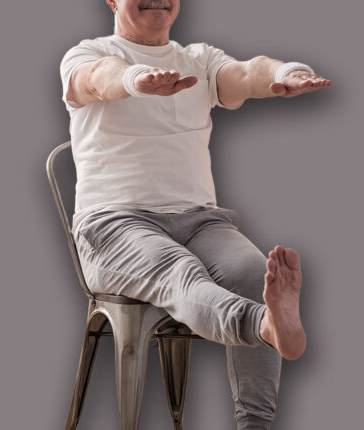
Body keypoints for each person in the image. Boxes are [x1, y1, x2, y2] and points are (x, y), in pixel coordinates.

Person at [59, 1, 331, 428]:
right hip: (113, 225)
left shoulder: (198, 60)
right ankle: (263, 325)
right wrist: (136, 79)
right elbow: (99, 79)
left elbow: (245, 72)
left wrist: (283, 73)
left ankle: (255, 423)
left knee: (252, 272)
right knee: (181, 273)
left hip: (200, 220)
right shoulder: (86, 54)